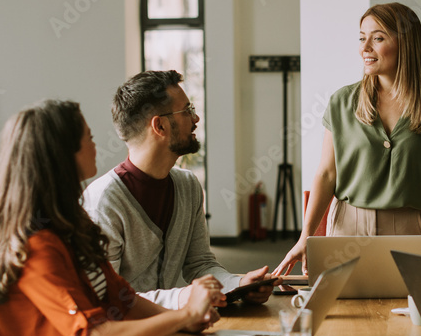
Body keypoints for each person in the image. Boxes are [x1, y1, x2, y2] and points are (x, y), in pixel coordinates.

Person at [0, 100, 223, 336]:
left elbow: (123, 298)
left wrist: (183, 322)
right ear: (63, 155)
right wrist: (185, 312)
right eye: (88, 137)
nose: (96, 145)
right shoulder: (37, 250)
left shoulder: (72, 227)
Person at [273, 2, 421, 279]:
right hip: (348, 225)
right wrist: (304, 237)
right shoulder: (343, 102)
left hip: (409, 229)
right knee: (344, 316)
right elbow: (326, 173)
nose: (364, 47)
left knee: (408, 315)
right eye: (361, 37)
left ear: (406, 44)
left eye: (377, 38)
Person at [83, 71, 276, 309]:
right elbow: (104, 298)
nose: (195, 119)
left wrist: (238, 284)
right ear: (160, 125)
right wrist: (181, 298)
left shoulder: (188, 186)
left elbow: (200, 264)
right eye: (187, 111)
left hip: (181, 323)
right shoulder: (103, 201)